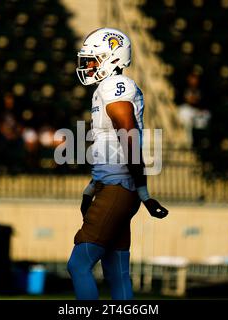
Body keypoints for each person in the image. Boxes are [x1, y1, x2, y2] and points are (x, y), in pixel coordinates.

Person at [67, 28, 169, 300]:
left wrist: (143, 191)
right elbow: (111, 149)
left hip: (117, 188)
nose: (88, 66)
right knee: (116, 270)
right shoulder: (109, 87)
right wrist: (92, 188)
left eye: (93, 59)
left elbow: (128, 135)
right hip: (116, 187)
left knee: (78, 264)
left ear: (112, 57)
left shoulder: (114, 86)